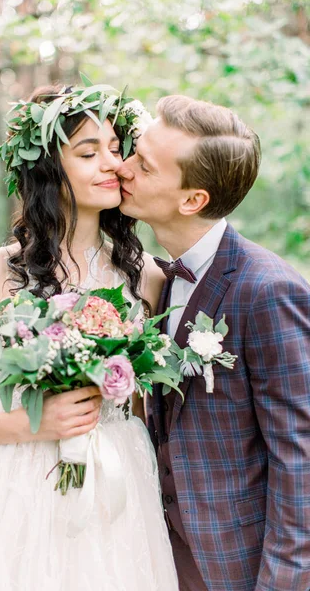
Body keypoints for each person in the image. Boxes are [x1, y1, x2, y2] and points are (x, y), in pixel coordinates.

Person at [0, 84, 179, 591]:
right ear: (47, 169)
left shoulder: (148, 279)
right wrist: (34, 424)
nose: (111, 163)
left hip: (120, 486)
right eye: (88, 151)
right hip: (13, 488)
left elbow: (147, 412)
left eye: (116, 149)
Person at [117, 95, 310, 591]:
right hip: (155, 552)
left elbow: (301, 458)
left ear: (191, 200)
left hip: (234, 565)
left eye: (144, 165)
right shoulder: (151, 280)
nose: (123, 168)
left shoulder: (268, 291)